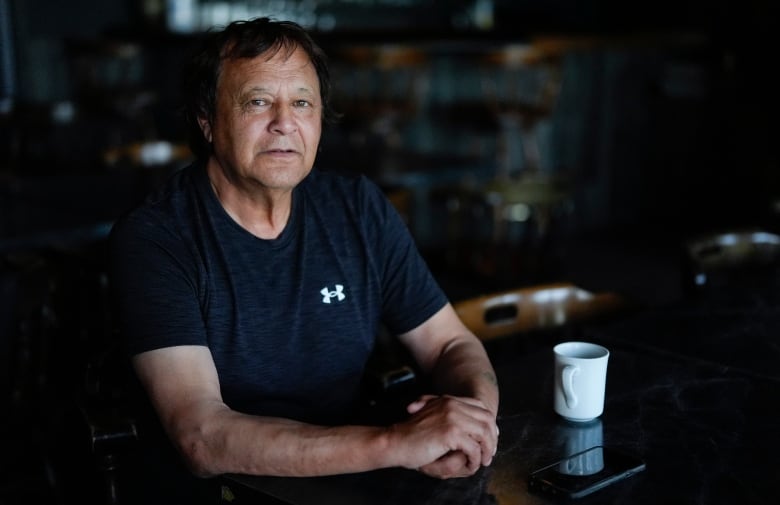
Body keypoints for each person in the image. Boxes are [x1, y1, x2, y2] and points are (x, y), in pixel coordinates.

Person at [109, 17, 499, 503]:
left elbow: (448, 345)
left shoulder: (357, 208)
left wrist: (474, 423)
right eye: (257, 102)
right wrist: (397, 443)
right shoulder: (156, 237)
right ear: (206, 120)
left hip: (351, 480)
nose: (284, 122)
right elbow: (202, 437)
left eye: (302, 103)